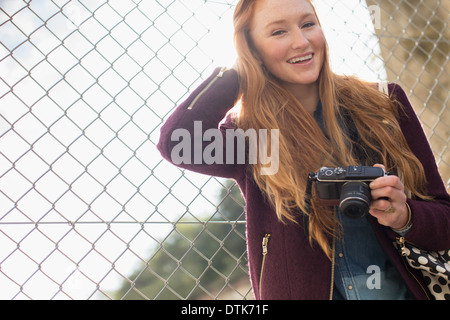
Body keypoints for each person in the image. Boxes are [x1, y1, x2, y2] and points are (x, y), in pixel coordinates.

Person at [157, 0, 450, 300]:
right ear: (252, 49)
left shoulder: (382, 104)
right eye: (279, 32)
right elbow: (177, 142)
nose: (301, 42)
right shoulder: (253, 137)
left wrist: (405, 215)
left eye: (308, 24)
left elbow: (445, 218)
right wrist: (238, 72)